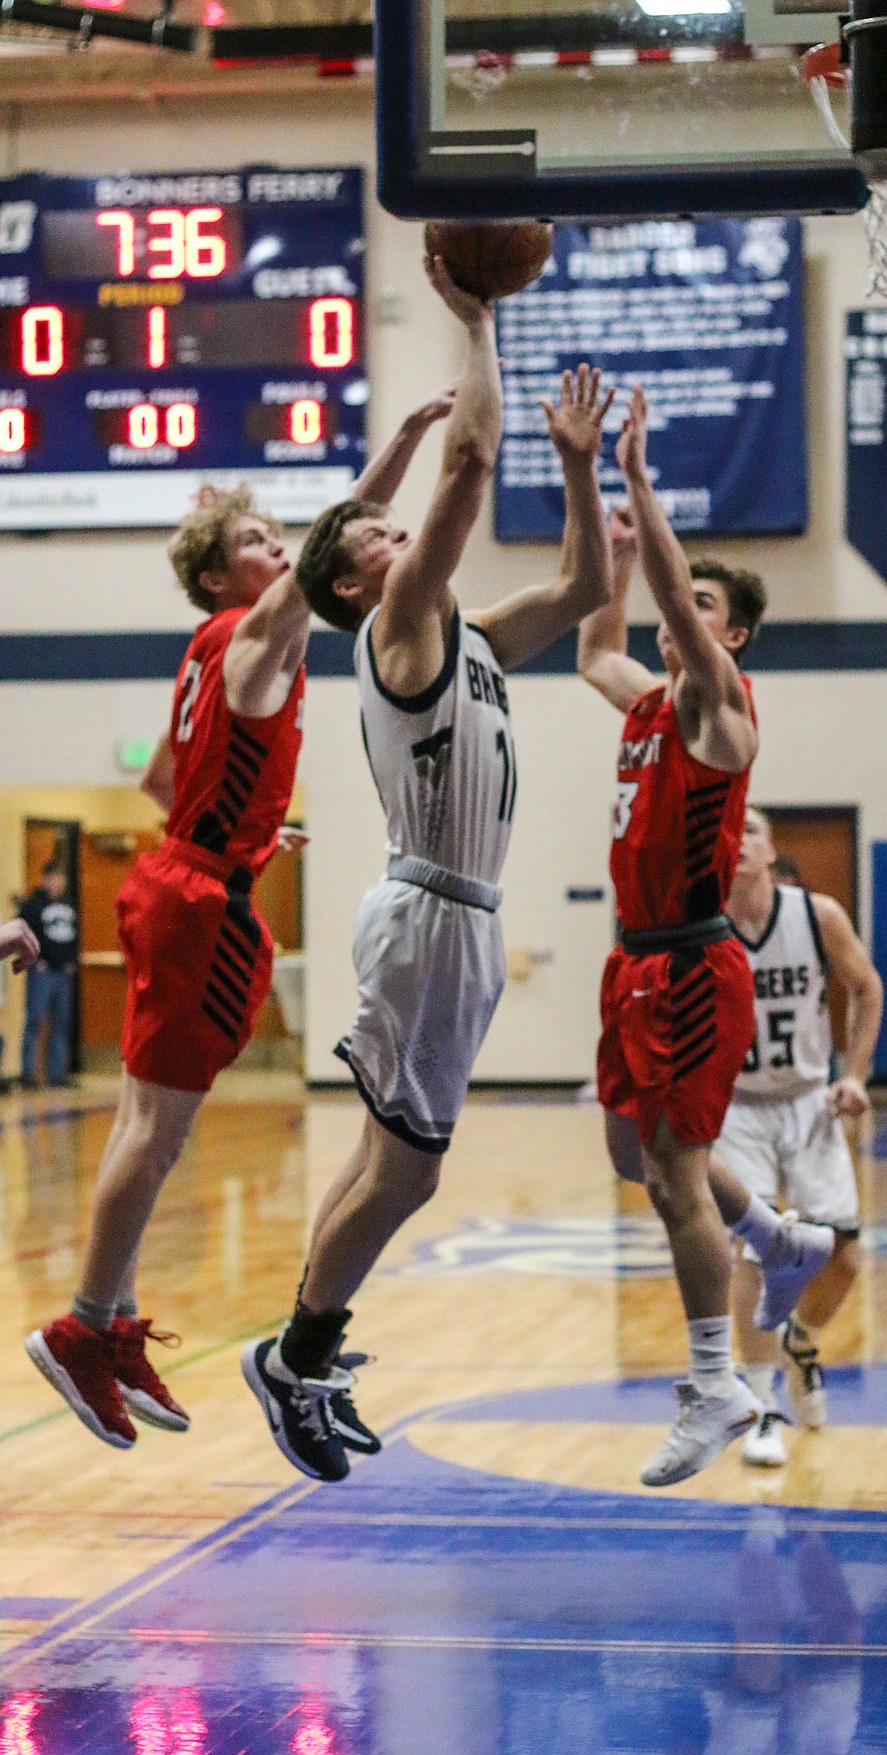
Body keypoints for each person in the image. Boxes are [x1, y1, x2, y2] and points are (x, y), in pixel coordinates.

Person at [242, 252, 617, 1483]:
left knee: (383, 1161)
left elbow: (584, 587)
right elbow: (462, 462)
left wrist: (576, 464)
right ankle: (297, 1353)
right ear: (357, 580)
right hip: (426, 914)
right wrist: (479, 324)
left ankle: (307, 1343)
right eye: (378, 537)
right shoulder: (401, 626)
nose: (402, 537)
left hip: (450, 916)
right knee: (405, 1170)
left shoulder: (465, 633)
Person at [24, 386, 455, 1453]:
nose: (281, 551)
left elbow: (166, 777)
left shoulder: (214, 645)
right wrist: (402, 439)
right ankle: (82, 1328)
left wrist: (240, 834)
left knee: (143, 1122)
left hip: (186, 876)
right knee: (154, 1134)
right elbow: (335, 544)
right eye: (259, 542)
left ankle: (117, 1322)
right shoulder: (254, 633)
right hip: (196, 900)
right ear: (225, 577)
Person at [576, 387, 834, 1489]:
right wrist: (608, 528)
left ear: (733, 636)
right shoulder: (645, 703)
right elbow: (597, 640)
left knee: (678, 1182)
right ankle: (783, 1239)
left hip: (688, 962)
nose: (687, 617)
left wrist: (636, 478)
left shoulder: (720, 708)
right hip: (632, 959)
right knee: (631, 1154)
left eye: (707, 607)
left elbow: (675, 618)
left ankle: (715, 1382)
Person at [717, 814, 883, 1467]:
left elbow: (866, 987)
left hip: (808, 1100)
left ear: (769, 849)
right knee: (755, 1251)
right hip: (737, 1107)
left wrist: (857, 1075)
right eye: (726, 830)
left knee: (842, 1258)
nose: (737, 839)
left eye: (750, 829)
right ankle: (760, 1408)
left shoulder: (818, 917)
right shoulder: (699, 924)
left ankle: (801, 1344)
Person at [19, 861, 79, 1089]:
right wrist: (35, 960)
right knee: (34, 1020)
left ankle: (57, 1074)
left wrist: (71, 961)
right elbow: (23, 934)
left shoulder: (68, 905)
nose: (56, 883)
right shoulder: (33, 905)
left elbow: (73, 936)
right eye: (52, 878)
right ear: (44, 879)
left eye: (59, 878)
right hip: (42, 972)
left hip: (63, 972)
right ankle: (28, 1074)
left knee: (61, 1023)